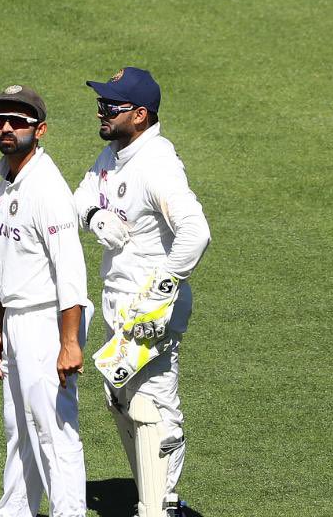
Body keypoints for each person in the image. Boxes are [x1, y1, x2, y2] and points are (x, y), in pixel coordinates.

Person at [74, 67, 211, 517]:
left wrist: (164, 288)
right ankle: (154, 498)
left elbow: (196, 232)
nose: (101, 111)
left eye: (110, 106)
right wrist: (94, 214)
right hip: (120, 304)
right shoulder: (113, 155)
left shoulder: (158, 165)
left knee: (152, 405)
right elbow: (79, 197)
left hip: (152, 311)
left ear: (139, 114)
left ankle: (162, 504)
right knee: (120, 399)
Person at [0, 85, 90, 517]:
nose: (7, 128)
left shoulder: (47, 189)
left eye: (18, 122)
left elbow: (71, 274)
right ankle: (15, 511)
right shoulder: (9, 179)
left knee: (53, 430)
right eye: (0, 120)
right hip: (18, 320)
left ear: (39, 130)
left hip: (48, 324)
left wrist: (70, 344)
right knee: (20, 429)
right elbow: (13, 262)